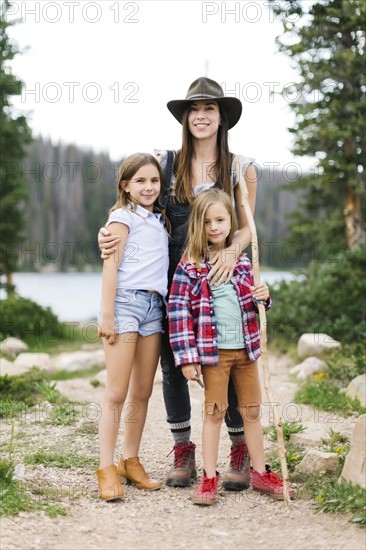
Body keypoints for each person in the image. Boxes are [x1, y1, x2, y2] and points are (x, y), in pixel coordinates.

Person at [98, 77, 257, 490]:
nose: (201, 116)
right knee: (174, 365)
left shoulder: (241, 167)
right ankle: (183, 448)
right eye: (194, 110)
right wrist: (108, 231)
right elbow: (134, 200)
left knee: (231, 357)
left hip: (221, 277)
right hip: (173, 278)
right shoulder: (166, 163)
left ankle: (239, 450)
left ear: (222, 117)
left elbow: (247, 229)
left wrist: (231, 251)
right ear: (185, 118)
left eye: (210, 109)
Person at [168, 188, 293, 505]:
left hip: (247, 352)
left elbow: (256, 304)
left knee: (251, 411)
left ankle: (260, 470)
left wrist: (264, 297)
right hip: (214, 356)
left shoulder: (242, 262)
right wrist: (186, 358)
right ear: (199, 224)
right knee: (214, 412)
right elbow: (179, 311)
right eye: (207, 221)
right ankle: (210, 478)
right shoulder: (190, 266)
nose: (214, 227)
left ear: (230, 221)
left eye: (221, 220)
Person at [96, 152, 169, 501]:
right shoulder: (121, 217)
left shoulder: (158, 220)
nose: (148, 186)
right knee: (116, 392)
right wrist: (107, 314)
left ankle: (130, 459)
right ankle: (106, 468)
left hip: (155, 308)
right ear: (125, 185)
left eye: (154, 180)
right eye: (140, 180)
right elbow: (111, 267)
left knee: (143, 391)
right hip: (126, 305)